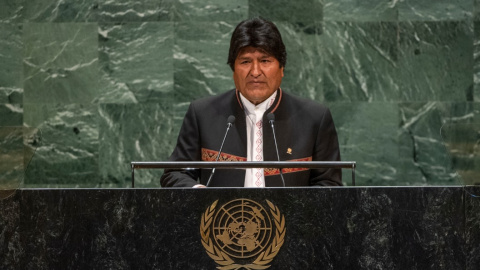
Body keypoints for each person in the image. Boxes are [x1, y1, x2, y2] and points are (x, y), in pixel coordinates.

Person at [160, 17, 342, 187]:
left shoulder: (314, 118)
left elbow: (329, 184)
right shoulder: (203, 114)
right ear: (233, 70)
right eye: (246, 61)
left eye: (265, 60)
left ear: (281, 68)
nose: (255, 72)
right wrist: (200, 195)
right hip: (222, 220)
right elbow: (175, 173)